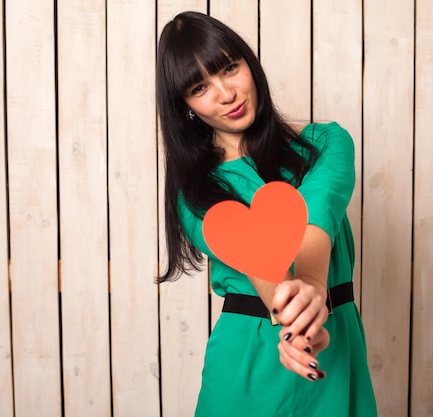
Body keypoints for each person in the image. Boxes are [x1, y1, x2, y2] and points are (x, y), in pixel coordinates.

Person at [156, 11, 377, 417]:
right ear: (185, 105)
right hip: (251, 360)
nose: (226, 93)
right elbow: (255, 253)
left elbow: (316, 211)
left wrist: (311, 286)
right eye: (200, 87)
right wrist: (297, 322)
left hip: (336, 346)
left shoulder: (326, 144)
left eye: (228, 68)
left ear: (249, 65)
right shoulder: (196, 192)